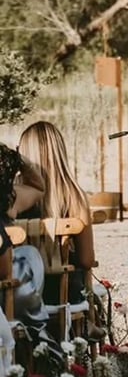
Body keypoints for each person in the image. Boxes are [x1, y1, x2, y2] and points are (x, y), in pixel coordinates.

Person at [17, 120, 96, 307]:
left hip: (21, 292)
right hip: (64, 294)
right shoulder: (74, 195)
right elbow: (87, 260)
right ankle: (88, 329)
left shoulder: (13, 194)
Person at [0, 142, 59, 352]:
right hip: (9, 300)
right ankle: (38, 334)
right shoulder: (7, 198)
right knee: (29, 255)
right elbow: (37, 187)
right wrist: (17, 159)